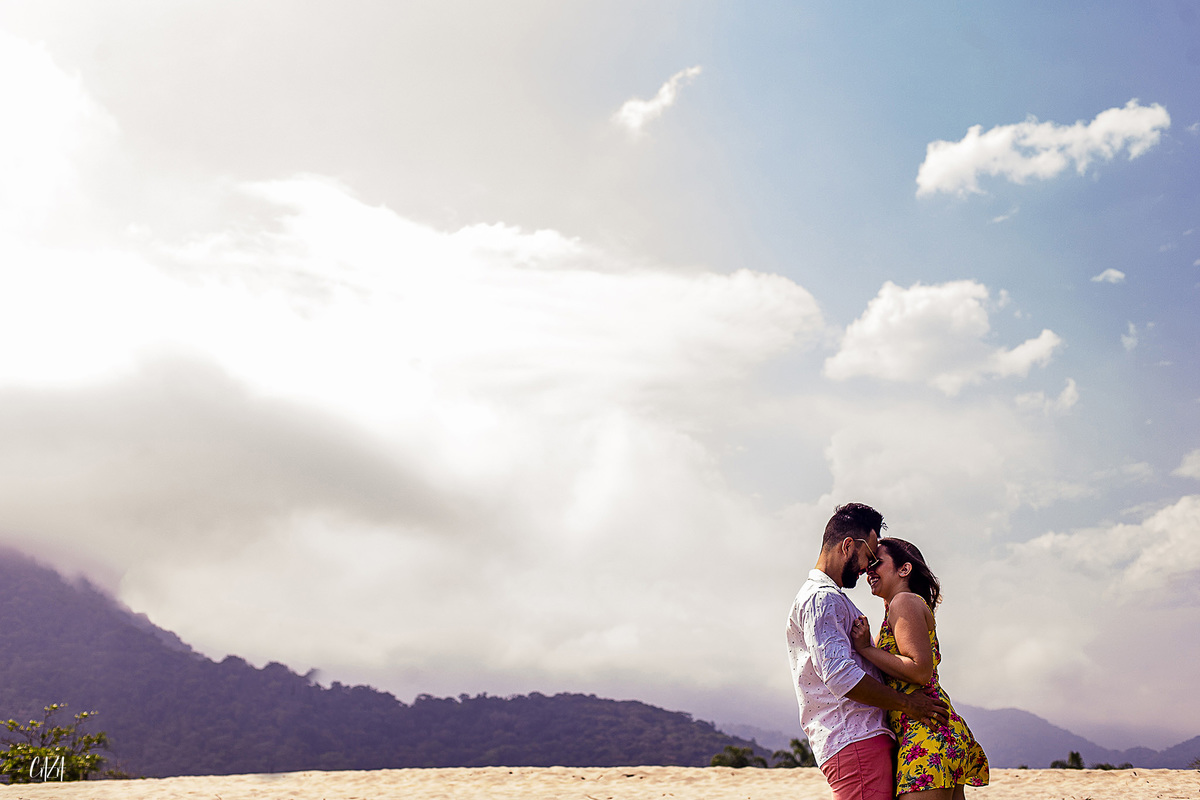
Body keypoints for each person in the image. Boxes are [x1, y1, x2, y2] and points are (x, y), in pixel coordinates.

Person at [787, 503, 950, 800]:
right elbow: (840, 676)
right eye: (868, 557)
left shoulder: (830, 599)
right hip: (854, 738)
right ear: (848, 545)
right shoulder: (821, 599)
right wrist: (909, 705)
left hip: (861, 738)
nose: (866, 569)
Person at [849, 537, 989, 799]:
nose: (869, 569)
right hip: (934, 731)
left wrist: (866, 650)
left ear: (904, 570)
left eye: (877, 562)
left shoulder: (904, 602)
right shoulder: (897, 607)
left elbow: (919, 670)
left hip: (926, 735)